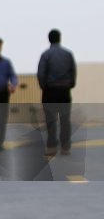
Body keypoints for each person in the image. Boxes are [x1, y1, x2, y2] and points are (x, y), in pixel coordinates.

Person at [37, 29, 76, 157]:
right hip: (65, 91)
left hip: (50, 91)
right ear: (60, 38)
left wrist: (44, 87)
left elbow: (41, 74)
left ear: (49, 39)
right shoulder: (68, 54)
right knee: (65, 120)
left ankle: (52, 147)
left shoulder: (45, 55)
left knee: (51, 120)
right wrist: (70, 84)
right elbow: (73, 71)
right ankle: (66, 148)